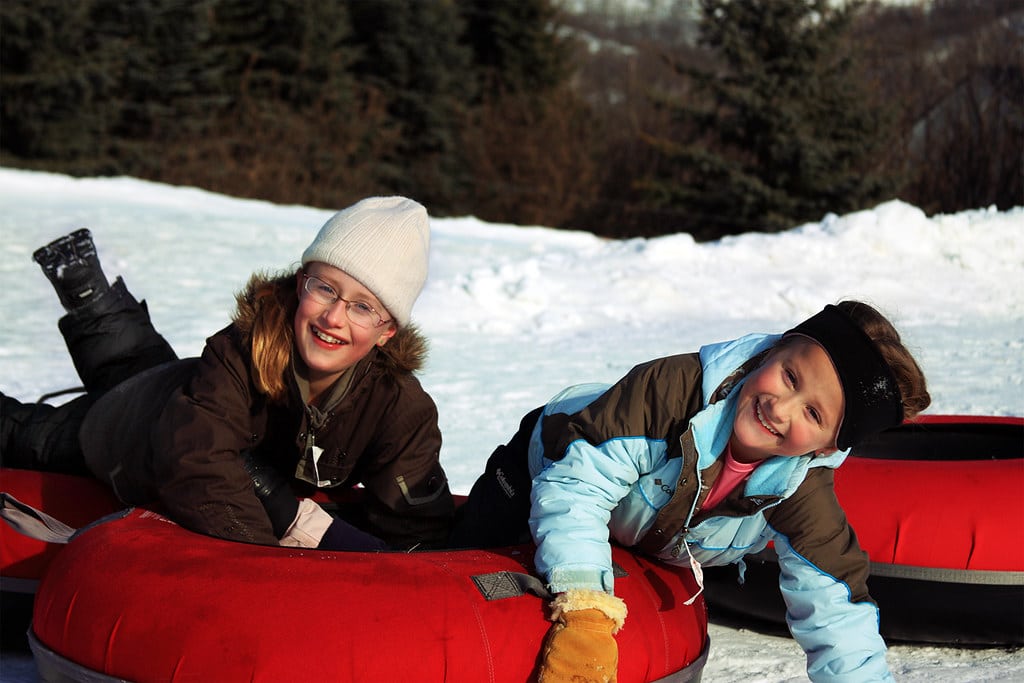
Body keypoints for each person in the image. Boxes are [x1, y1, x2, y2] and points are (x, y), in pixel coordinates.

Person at [450, 301, 930, 682]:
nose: (781, 408)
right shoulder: (669, 392)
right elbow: (578, 487)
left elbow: (834, 605)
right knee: (469, 560)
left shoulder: (801, 486)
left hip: (643, 527)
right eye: (789, 376)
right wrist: (587, 611)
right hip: (549, 462)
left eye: (814, 415)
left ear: (827, 449)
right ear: (773, 351)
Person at [1, 197, 454, 551]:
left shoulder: (399, 407)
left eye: (362, 306)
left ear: (387, 331)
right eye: (326, 289)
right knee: (34, 435)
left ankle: (90, 294)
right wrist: (265, 562)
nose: (335, 317)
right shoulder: (242, 348)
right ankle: (89, 299)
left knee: (140, 365)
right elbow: (200, 464)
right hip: (133, 433)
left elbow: (414, 521)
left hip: (184, 391)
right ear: (301, 285)